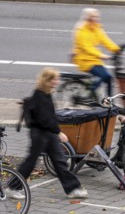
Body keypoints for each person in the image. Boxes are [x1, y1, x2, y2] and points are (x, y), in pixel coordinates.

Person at [7, 67, 88, 199]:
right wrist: (58, 132)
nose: (57, 81)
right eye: (54, 79)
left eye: (57, 79)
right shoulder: (39, 95)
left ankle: (73, 189)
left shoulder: (46, 94)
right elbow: (44, 119)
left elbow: (50, 117)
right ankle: (13, 187)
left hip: (48, 133)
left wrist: (56, 131)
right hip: (39, 134)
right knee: (31, 162)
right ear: (47, 80)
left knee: (59, 161)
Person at [72, 8, 121, 98]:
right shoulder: (82, 31)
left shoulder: (97, 28)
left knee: (109, 78)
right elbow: (87, 48)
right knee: (103, 76)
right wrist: (101, 55)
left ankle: (109, 102)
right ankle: (89, 95)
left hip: (94, 60)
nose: (97, 19)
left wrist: (118, 50)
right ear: (88, 18)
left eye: (97, 17)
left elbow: (106, 41)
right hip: (84, 60)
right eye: (94, 17)